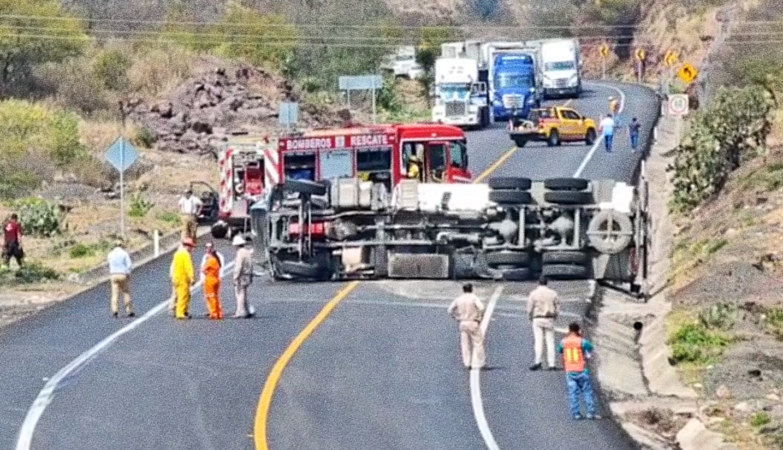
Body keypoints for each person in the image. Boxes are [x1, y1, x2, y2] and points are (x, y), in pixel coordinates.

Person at [557, 322, 601, 420]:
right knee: (586, 391)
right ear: (578, 330)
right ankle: (591, 412)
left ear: (569, 330)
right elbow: (590, 347)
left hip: (569, 370)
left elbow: (559, 350)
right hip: (581, 369)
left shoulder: (563, 342)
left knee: (573, 393)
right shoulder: (581, 341)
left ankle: (576, 413)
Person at [447, 283, 486, 370]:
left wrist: (456, 317)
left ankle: (467, 363)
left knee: (465, 344)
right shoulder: (474, 298)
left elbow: (450, 310)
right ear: (471, 289)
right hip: (473, 321)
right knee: (478, 343)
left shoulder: (459, 299)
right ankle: (481, 362)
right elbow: (481, 308)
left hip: (463, 322)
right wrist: (479, 317)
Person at [527, 276, 560, 371]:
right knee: (550, 341)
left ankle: (538, 361)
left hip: (537, 318)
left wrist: (530, 316)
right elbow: (557, 306)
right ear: (547, 282)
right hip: (549, 318)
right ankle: (552, 364)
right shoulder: (553, 293)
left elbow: (530, 307)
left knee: (538, 341)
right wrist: (555, 316)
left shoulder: (533, 293)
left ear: (538, 282)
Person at [106, 239, 135, 318]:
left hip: (113, 274)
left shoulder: (110, 254)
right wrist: (128, 274)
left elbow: (109, 263)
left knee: (114, 294)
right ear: (121, 245)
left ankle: (115, 310)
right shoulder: (124, 254)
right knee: (125, 292)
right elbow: (129, 265)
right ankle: (129, 310)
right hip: (122, 274)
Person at [171, 237, 196, 320]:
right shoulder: (185, 255)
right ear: (187, 246)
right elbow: (188, 267)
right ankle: (180, 313)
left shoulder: (177, 254)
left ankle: (183, 311)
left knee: (182, 295)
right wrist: (192, 278)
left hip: (177, 278)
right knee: (183, 296)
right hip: (183, 279)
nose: (191, 248)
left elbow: (174, 266)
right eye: (191, 246)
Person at [232, 235, 255, 318]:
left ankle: (240, 311)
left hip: (242, 276)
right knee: (244, 293)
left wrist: (235, 277)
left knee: (240, 293)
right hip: (248, 275)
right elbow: (251, 264)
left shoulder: (240, 253)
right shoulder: (247, 252)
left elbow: (239, 266)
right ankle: (247, 310)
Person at [201, 241, 224, 320]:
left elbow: (202, 269)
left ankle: (213, 313)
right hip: (215, 278)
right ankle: (218, 312)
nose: (208, 249)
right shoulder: (215, 258)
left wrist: (205, 272)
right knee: (215, 296)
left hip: (210, 279)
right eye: (206, 247)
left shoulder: (210, 259)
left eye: (209, 247)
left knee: (210, 296)